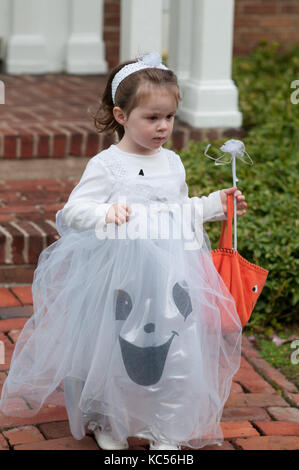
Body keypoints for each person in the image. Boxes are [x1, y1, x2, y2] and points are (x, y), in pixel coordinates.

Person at [0, 52, 247, 451]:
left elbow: (178, 211)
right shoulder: (107, 165)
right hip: (121, 281)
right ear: (120, 114)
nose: (162, 127)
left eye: (169, 117)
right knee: (116, 348)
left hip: (168, 276)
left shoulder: (172, 163)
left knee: (176, 349)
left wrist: (216, 205)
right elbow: (73, 212)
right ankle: (109, 419)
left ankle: (165, 426)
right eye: (151, 118)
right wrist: (105, 212)